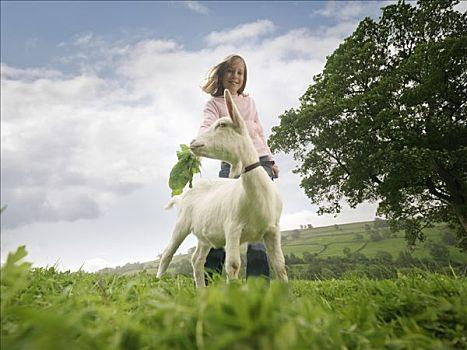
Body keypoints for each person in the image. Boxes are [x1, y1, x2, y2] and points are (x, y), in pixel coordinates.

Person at [198, 54, 280, 284]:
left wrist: (271, 160)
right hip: (232, 167)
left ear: (244, 78)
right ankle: (211, 281)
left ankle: (258, 287)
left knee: (260, 225)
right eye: (231, 71)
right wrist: (197, 145)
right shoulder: (214, 105)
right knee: (224, 222)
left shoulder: (249, 102)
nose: (235, 77)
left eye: (240, 73)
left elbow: (259, 132)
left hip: (259, 163)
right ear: (222, 74)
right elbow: (206, 128)